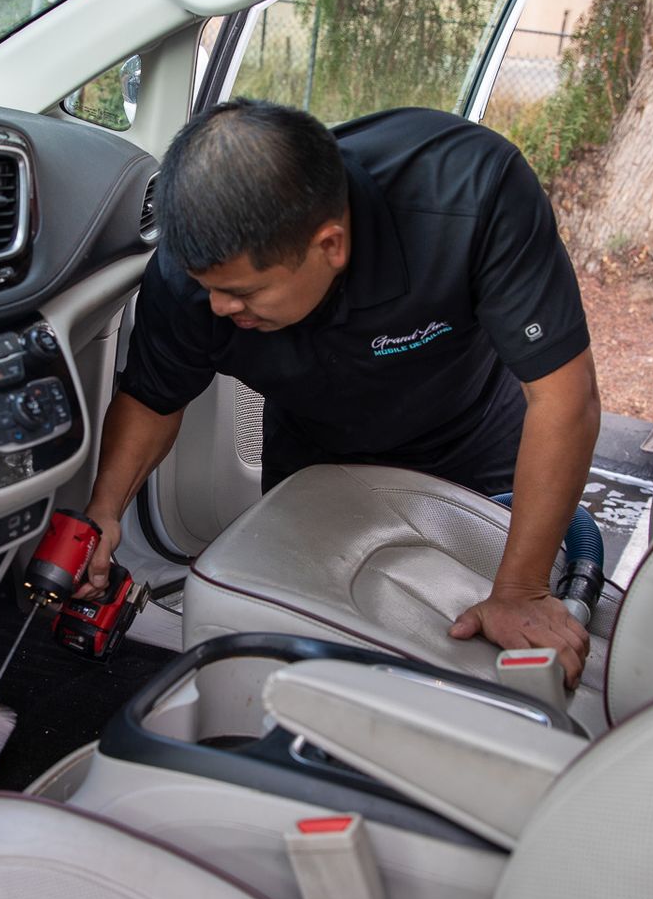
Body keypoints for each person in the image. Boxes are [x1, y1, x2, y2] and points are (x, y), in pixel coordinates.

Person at [79, 99, 600, 687]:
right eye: (209, 289)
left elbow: (564, 396)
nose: (220, 308)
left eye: (244, 294)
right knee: (297, 667)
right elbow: (153, 397)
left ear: (330, 245)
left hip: (477, 464)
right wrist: (103, 514)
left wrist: (521, 591)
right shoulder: (191, 275)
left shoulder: (468, 193)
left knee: (456, 680)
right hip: (316, 474)